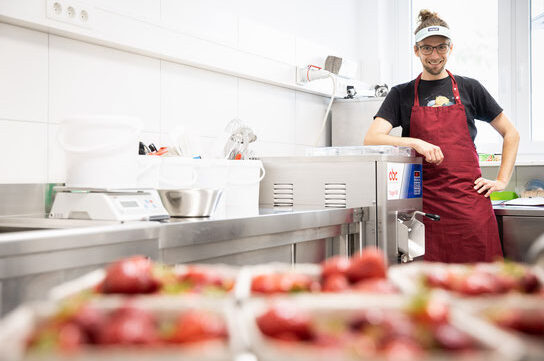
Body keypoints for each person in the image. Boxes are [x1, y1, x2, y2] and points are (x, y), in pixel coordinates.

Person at [364, 9, 520, 263]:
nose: (434, 55)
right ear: (416, 51)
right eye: (427, 48)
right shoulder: (401, 94)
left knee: (480, 282)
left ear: (450, 48)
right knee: (431, 288)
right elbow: (372, 138)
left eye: (441, 47)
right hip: (425, 209)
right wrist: (414, 141)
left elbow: (511, 133)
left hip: (469, 207)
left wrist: (502, 180)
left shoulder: (470, 88)